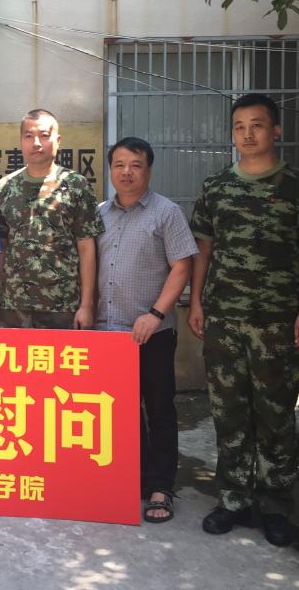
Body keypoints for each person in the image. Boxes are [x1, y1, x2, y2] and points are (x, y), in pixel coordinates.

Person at [188, 93, 299, 547]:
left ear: (275, 131)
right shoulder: (216, 187)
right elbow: (204, 250)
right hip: (223, 321)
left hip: (277, 322)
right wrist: (196, 303)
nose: (247, 134)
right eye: (239, 126)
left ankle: (275, 505)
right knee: (228, 413)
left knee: (275, 415)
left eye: (257, 125)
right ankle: (233, 499)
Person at [96, 137, 197, 524]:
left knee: (159, 410)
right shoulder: (99, 213)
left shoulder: (166, 212)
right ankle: (133, 479)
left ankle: (161, 487)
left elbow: (182, 267)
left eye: (135, 165)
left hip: (151, 332)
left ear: (148, 170)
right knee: (118, 412)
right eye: (119, 165)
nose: (127, 172)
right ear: (110, 170)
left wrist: (156, 313)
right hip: (107, 334)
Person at [0, 109, 104, 329]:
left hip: (64, 306)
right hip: (13, 305)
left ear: (57, 140)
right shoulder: (6, 186)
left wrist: (87, 305)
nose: (36, 143)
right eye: (29, 136)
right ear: (21, 141)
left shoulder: (76, 185)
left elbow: (87, 248)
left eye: (44, 135)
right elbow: (1, 247)